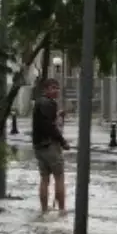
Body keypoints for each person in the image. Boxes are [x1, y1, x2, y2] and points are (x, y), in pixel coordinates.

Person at [32, 78, 69, 214]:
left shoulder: (39, 103)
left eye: (57, 88)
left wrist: (58, 115)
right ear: (46, 89)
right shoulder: (49, 103)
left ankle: (44, 210)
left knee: (44, 179)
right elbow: (51, 127)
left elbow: (45, 121)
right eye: (53, 88)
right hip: (50, 145)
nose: (56, 91)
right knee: (59, 177)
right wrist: (63, 141)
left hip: (38, 146)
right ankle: (62, 210)